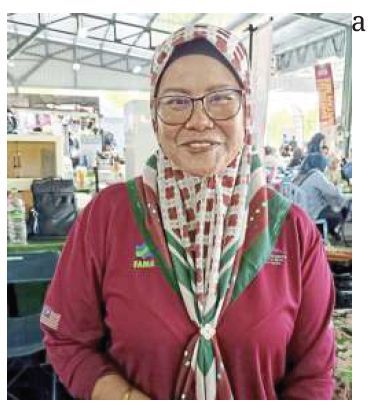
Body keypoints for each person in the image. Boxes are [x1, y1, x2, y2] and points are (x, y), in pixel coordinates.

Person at [40, 25, 336, 400]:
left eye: (221, 98)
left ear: (246, 108)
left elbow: (314, 374)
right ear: (155, 113)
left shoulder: (292, 231)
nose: (198, 120)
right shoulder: (108, 217)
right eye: (177, 101)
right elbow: (67, 338)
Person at [292, 153, 348, 242]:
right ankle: (322, 231)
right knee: (344, 209)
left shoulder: (298, 175)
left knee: (333, 206)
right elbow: (333, 192)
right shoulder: (316, 174)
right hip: (313, 214)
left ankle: (328, 230)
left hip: (299, 214)